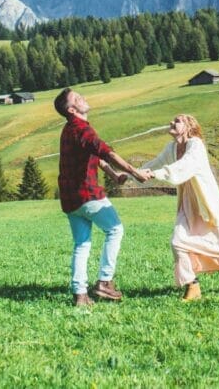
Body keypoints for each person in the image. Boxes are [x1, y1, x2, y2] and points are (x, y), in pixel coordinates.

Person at [55, 87, 146, 307]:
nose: (82, 98)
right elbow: (104, 150)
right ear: (72, 109)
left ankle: (80, 295)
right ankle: (105, 282)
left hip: (70, 199)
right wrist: (135, 172)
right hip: (87, 194)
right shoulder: (81, 128)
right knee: (115, 229)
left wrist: (114, 175)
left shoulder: (69, 129)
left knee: (82, 244)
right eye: (77, 98)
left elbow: (95, 156)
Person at [140, 114, 219, 301]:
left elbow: (184, 166)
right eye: (172, 120)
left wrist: (155, 174)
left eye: (177, 121)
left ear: (189, 127)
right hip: (187, 203)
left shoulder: (196, 146)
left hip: (206, 203)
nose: (171, 122)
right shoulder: (171, 147)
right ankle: (192, 285)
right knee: (177, 242)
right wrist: (133, 173)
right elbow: (154, 164)